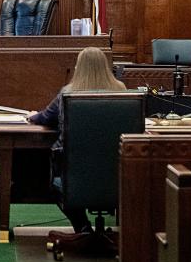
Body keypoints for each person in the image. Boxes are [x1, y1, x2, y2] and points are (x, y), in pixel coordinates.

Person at [27, 46, 127, 233]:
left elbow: (45, 118)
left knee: (53, 177)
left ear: (78, 67)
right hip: (116, 173)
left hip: (74, 173)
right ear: (105, 66)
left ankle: (82, 227)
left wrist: (33, 116)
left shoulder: (68, 92)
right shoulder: (121, 91)